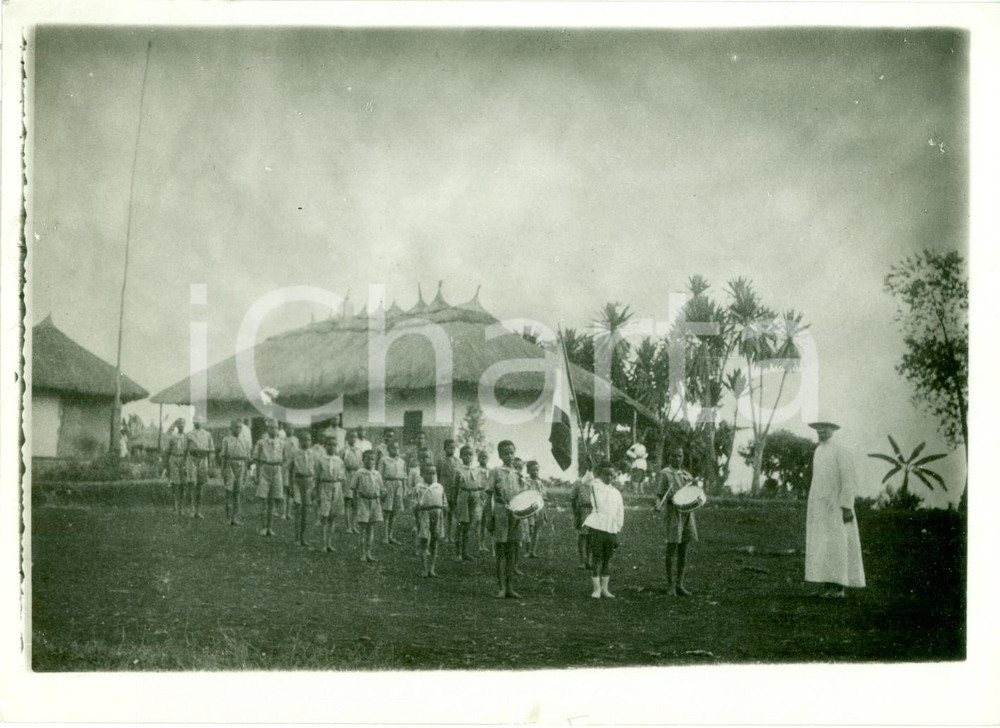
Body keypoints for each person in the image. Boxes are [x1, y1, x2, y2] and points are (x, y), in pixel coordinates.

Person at [805, 419, 865, 598]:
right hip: (821, 506)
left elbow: (848, 479)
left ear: (833, 429)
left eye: (825, 428)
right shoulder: (819, 450)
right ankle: (827, 585)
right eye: (818, 429)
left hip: (837, 507)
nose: (821, 431)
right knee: (823, 545)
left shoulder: (841, 449)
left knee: (838, 545)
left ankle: (838, 588)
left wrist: (847, 506)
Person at [655, 445, 698, 596]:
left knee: (684, 549)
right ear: (669, 457)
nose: (677, 459)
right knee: (672, 547)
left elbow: (694, 493)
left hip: (687, 513)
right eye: (674, 456)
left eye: (679, 456)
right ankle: (670, 584)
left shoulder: (686, 475)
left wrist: (696, 489)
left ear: (682, 457)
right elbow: (660, 494)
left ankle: (680, 584)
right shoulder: (665, 474)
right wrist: (658, 504)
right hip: (673, 514)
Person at [485, 440, 526, 598]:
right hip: (501, 512)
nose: (509, 456)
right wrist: (489, 517)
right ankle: (501, 588)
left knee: (512, 551)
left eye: (511, 452)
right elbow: (489, 496)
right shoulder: (496, 471)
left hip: (515, 514)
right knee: (501, 551)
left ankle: (510, 587)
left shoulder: (518, 473)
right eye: (506, 453)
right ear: (500, 455)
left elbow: (522, 496)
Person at [583, 460, 625, 598]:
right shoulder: (594, 485)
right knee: (597, 558)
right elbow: (586, 480)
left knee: (607, 559)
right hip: (597, 527)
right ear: (599, 474)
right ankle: (596, 589)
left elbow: (620, 513)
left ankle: (605, 588)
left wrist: (617, 530)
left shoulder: (616, 492)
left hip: (611, 529)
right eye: (606, 474)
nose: (609, 477)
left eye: (611, 475)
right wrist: (589, 467)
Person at [413, 464, 448, 578]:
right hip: (424, 514)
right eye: (428, 473)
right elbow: (414, 503)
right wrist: (417, 514)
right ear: (422, 474)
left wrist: (444, 511)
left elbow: (444, 502)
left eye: (433, 473)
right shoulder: (419, 487)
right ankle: (424, 569)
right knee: (424, 540)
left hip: (437, 514)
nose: (431, 476)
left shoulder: (439, 487)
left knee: (435, 540)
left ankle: (432, 568)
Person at [349, 449, 384, 563]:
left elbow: (381, 489)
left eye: (372, 459)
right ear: (363, 460)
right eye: (367, 458)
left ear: (375, 461)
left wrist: (382, 496)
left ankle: (369, 553)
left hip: (374, 502)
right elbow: (354, 489)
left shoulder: (377, 474)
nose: (369, 461)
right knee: (363, 529)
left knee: (371, 529)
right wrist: (355, 502)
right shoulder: (359, 473)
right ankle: (362, 553)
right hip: (363, 502)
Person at [253, 419, 284, 537]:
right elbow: (256, 459)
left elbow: (284, 459)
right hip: (265, 469)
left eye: (276, 427)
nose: (274, 430)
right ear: (268, 429)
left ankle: (270, 527)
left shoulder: (281, 443)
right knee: (263, 499)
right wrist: (256, 475)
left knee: (273, 499)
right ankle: (263, 526)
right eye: (271, 427)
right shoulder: (261, 442)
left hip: (276, 469)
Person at [315, 436, 346, 553]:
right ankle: (323, 544)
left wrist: (340, 492)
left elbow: (342, 478)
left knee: (333, 517)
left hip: (336, 487)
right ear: (325, 445)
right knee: (324, 516)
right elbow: (317, 478)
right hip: (325, 487)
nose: (332, 447)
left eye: (334, 445)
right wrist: (317, 493)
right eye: (329, 444)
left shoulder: (339, 461)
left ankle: (329, 543)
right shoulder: (320, 459)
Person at [453, 445, 483, 561]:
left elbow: (479, 485)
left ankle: (465, 552)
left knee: (469, 526)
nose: (468, 457)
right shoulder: (458, 470)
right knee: (461, 524)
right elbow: (455, 487)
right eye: (465, 454)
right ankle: (457, 553)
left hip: (474, 498)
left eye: (470, 455)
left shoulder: (476, 470)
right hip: (463, 497)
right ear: (461, 456)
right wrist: (454, 502)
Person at [289, 431, 318, 547]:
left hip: (309, 482)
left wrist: (315, 487)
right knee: (298, 508)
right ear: (300, 442)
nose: (306, 442)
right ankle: (296, 538)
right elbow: (290, 470)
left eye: (309, 440)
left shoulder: (314, 454)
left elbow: (316, 471)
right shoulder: (295, 453)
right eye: (304, 440)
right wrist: (290, 485)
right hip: (297, 481)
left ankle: (303, 537)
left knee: (306, 511)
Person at [219, 419, 251, 526]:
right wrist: (223, 470)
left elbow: (246, 458)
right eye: (236, 427)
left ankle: (235, 518)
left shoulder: (245, 440)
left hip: (241, 465)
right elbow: (223, 456)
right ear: (231, 428)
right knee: (229, 492)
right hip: (230, 464)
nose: (238, 429)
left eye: (240, 427)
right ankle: (228, 518)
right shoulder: (226, 440)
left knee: (238, 493)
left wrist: (246, 471)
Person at [184, 415, 215, 519]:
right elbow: (185, 450)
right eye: (196, 420)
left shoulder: (207, 434)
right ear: (193, 422)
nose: (198, 422)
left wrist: (211, 465)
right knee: (192, 484)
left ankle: (198, 510)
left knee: (200, 485)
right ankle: (192, 510)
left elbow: (211, 451)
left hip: (203, 459)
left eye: (200, 420)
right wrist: (184, 464)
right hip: (192, 459)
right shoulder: (189, 434)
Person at [378, 438, 408, 545]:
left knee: (395, 512)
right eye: (393, 448)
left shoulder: (402, 461)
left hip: (398, 485)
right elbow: (380, 475)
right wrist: (382, 488)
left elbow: (404, 476)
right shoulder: (384, 460)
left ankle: (391, 535)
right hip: (388, 485)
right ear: (388, 449)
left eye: (397, 448)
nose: (396, 450)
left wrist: (404, 488)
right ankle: (385, 536)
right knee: (387, 511)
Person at [570, 458, 595, 569]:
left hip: (593, 511)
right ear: (580, 470)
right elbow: (572, 498)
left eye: (588, 469)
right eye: (584, 468)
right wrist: (576, 513)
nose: (586, 471)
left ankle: (589, 560)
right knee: (583, 536)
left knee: (591, 536)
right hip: (582, 511)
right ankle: (582, 560)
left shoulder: (594, 483)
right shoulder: (578, 483)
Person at [436, 439, 460, 543]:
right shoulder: (441, 461)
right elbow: (437, 475)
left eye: (454, 448)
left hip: (453, 491)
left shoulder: (458, 461)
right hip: (443, 489)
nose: (452, 449)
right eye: (450, 447)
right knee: (443, 512)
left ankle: (449, 535)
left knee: (451, 513)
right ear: (445, 448)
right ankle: (442, 534)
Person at [340, 429, 364, 534]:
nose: (353, 439)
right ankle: (348, 526)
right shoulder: (344, 450)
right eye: (351, 437)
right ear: (347, 438)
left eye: (355, 437)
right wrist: (342, 478)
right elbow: (340, 465)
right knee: (348, 502)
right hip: (347, 476)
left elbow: (361, 463)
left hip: (357, 476)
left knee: (356, 502)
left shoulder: (359, 450)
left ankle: (354, 525)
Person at [162, 419, 188, 516]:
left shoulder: (187, 437)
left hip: (183, 460)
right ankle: (175, 507)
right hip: (174, 459)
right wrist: (166, 465)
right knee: (175, 484)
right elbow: (167, 452)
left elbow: (188, 450)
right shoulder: (172, 437)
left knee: (183, 484)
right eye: (179, 424)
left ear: (185, 425)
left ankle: (181, 508)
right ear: (177, 425)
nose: (181, 425)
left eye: (183, 423)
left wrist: (186, 462)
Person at [523, 460, 548, 558]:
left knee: (537, 530)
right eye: (533, 470)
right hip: (529, 509)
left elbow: (543, 497)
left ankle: (533, 551)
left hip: (539, 509)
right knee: (529, 530)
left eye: (537, 470)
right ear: (528, 470)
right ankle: (527, 550)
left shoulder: (540, 482)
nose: (535, 472)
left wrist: (544, 512)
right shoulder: (526, 481)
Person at [475, 450, 492, 553]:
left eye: (485, 457)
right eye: (481, 457)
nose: (483, 459)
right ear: (478, 458)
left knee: (485, 521)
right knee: (478, 520)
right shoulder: (475, 470)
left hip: (488, 496)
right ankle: (478, 543)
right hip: (478, 496)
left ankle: (483, 543)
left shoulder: (491, 471)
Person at [281, 425, 299, 520]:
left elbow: (298, 453)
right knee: (285, 489)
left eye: (291, 428)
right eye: (288, 428)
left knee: (292, 490)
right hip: (285, 466)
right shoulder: (282, 440)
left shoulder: (296, 440)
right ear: (285, 429)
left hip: (294, 466)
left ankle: (289, 513)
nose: (290, 430)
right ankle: (283, 513)